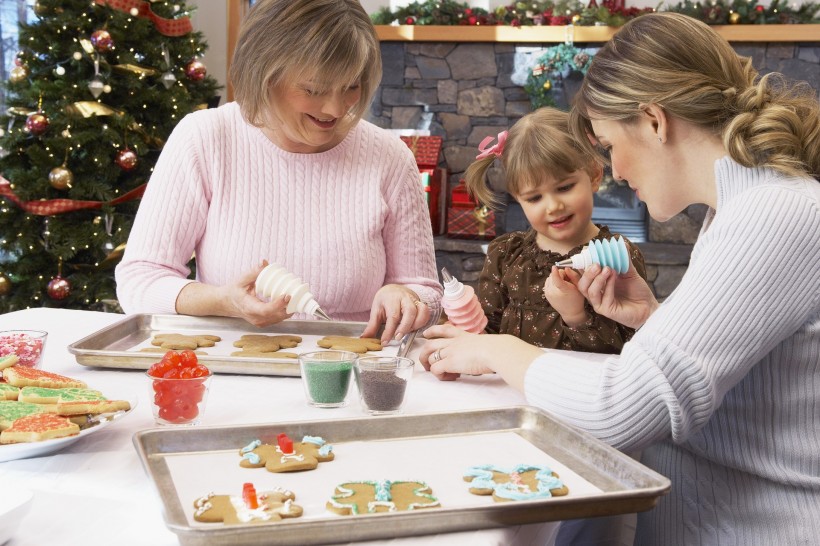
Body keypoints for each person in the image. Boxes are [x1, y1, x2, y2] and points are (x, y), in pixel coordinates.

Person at [421, 12, 819, 544]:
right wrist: (654, 319)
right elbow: (746, 378)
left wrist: (498, 350)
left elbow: (627, 409)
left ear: (655, 120)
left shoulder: (774, 214)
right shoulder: (740, 207)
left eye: (608, 147)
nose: (617, 172)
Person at [115, 0, 441, 344]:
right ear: (264, 75)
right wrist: (223, 301)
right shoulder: (206, 138)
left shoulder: (389, 157)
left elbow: (427, 292)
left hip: (353, 374)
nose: (335, 108)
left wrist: (408, 298)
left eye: (351, 86)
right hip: (231, 370)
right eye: (313, 89)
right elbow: (141, 280)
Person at [463, 107, 646, 352]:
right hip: (508, 390)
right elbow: (487, 336)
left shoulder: (618, 257)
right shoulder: (505, 255)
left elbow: (631, 351)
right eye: (534, 198)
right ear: (518, 198)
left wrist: (576, 316)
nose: (553, 206)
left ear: (593, 175)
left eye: (564, 188)